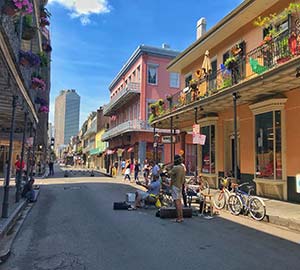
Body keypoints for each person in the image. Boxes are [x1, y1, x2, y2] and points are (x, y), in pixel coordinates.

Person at [166, 154, 186, 223]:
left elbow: (169, 173)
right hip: (180, 185)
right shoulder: (182, 167)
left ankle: (179, 218)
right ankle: (181, 217)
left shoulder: (176, 168)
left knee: (177, 202)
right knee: (179, 202)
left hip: (175, 186)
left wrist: (168, 168)